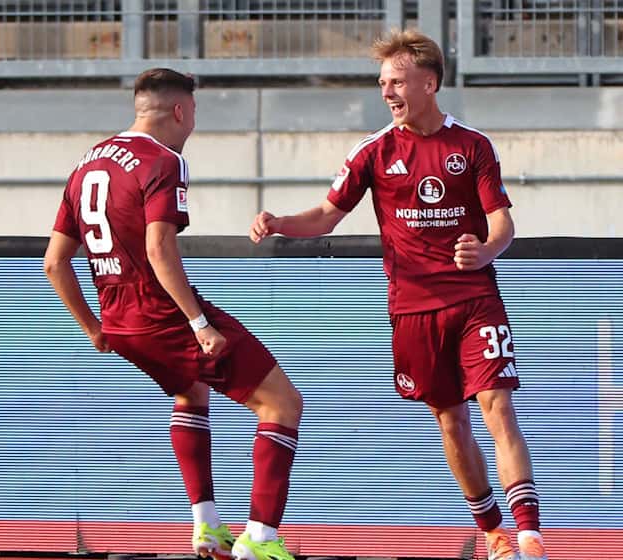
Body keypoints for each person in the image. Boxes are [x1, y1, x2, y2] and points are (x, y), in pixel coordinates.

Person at [249, 30, 546, 560]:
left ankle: (530, 537)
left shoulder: (472, 146)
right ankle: (493, 529)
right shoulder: (373, 150)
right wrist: (279, 222)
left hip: (475, 299)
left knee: (497, 406)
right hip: (412, 310)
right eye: (382, 82)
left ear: (429, 84)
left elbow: (502, 223)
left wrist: (485, 250)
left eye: (398, 81)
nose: (387, 92)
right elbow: (327, 213)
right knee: (451, 420)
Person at [44, 68, 304, 560]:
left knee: (190, 393)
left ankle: (206, 528)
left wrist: (94, 329)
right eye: (195, 113)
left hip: (120, 321)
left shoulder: (86, 163)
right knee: (281, 404)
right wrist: (199, 323)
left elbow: (54, 262)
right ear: (181, 111)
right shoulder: (164, 160)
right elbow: (159, 248)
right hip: (161, 313)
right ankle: (262, 539)